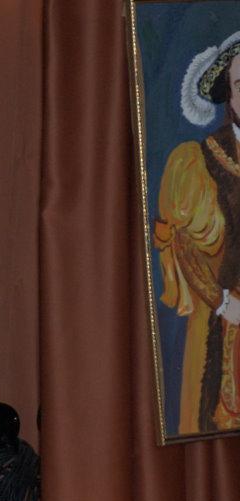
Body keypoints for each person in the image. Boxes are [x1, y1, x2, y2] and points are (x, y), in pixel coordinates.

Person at [155, 31, 240, 434]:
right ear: (229, 95)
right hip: (227, 326)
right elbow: (183, 245)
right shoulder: (198, 163)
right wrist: (223, 304)